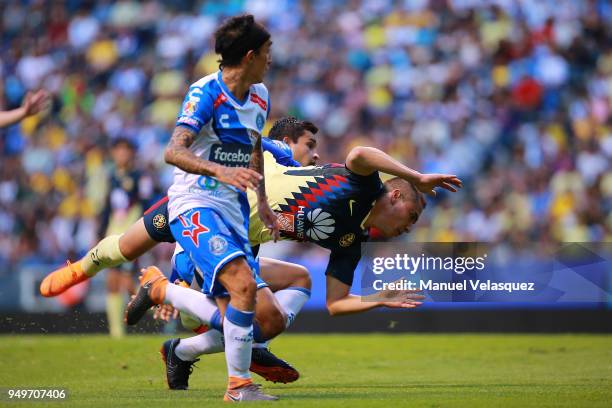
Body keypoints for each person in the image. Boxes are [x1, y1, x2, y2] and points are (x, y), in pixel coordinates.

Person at [127, 143, 461, 388]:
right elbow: (359, 154)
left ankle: (182, 351)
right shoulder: (365, 185)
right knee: (259, 320)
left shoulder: (352, 241)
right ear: (396, 197)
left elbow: (335, 303)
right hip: (220, 221)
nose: (410, 226)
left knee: (293, 288)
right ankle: (163, 290)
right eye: (412, 217)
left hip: (245, 245)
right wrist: (417, 175)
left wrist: (379, 297)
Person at [40, 117, 320, 385]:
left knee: (292, 283)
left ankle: (209, 345)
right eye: (310, 145)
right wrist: (179, 280)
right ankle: (81, 269)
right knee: (127, 246)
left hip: (215, 235)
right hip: (193, 208)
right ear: (286, 140)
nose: (315, 154)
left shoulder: (287, 188)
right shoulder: (279, 153)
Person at [151, 14, 279, 402]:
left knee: (248, 312)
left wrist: (263, 202)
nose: (271, 61)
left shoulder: (260, 96)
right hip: (194, 203)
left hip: (234, 210)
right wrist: (220, 170)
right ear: (252, 55)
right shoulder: (206, 92)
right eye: (267, 54)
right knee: (242, 285)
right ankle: (239, 387)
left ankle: (177, 339)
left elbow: (254, 147)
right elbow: (173, 150)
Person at [98, 137, 152, 338]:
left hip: (132, 235)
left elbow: (148, 205)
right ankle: (116, 332)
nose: (121, 154)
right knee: (112, 281)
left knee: (128, 282)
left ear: (131, 153)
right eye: (118, 150)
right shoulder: (111, 177)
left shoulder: (140, 176)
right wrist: (100, 233)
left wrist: (146, 234)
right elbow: (107, 209)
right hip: (113, 234)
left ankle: (163, 310)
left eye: (125, 150)